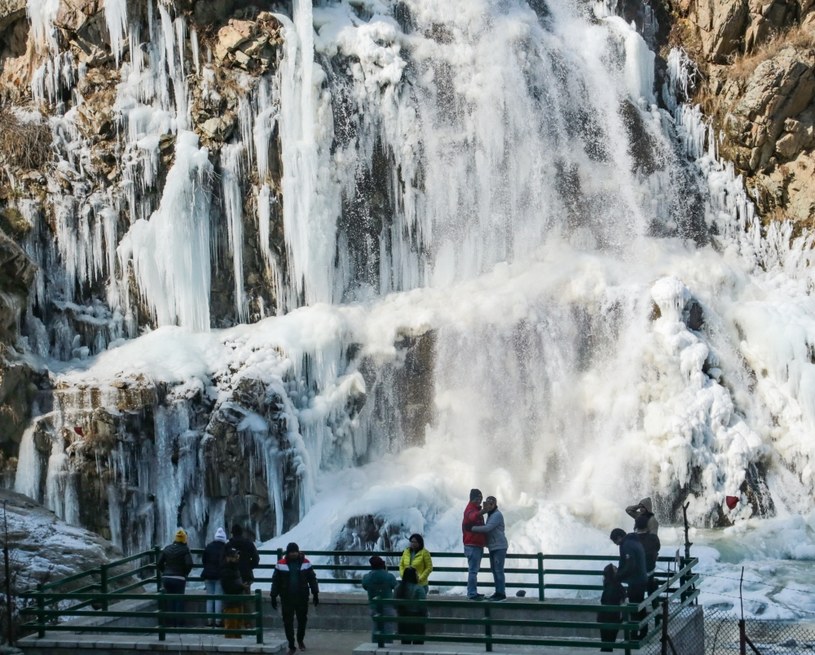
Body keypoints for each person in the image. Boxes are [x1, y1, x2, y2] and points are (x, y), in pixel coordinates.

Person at [270, 542, 320, 655]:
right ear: (288, 553)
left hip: (302, 596)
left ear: (298, 552)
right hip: (286, 597)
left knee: (302, 620)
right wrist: (273, 595)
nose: (293, 554)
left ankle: (300, 640)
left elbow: (312, 578)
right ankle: (291, 644)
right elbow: (276, 581)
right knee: (287, 621)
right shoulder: (280, 564)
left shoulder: (306, 563)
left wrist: (315, 593)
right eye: (291, 552)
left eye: (295, 552)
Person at [610, 527, 648, 640]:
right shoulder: (634, 541)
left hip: (636, 581)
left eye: (615, 541)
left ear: (619, 537)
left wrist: (618, 576)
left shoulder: (627, 545)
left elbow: (629, 565)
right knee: (640, 606)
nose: (616, 544)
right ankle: (643, 631)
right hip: (641, 578)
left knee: (634, 608)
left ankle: (636, 633)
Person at [470, 495, 508, 601]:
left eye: (491, 503)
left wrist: (472, 528)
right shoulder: (491, 514)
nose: (489, 505)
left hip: (499, 546)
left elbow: (487, 528)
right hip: (494, 546)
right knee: (495, 570)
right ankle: (498, 592)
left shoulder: (496, 515)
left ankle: (501, 593)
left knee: (498, 570)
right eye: (487, 503)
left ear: (495, 504)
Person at [157, 528, 193, 627]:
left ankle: (170, 623)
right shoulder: (185, 549)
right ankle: (179, 624)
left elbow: (159, 562)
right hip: (179, 578)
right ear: (184, 539)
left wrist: (164, 571)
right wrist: (185, 573)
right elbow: (189, 564)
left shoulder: (167, 548)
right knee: (179, 600)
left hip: (167, 578)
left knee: (170, 600)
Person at [227, 524, 260, 628]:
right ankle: (248, 623)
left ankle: (236, 623)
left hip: (232, 576)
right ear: (242, 532)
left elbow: (224, 559)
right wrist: (249, 566)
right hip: (246, 574)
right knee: (246, 599)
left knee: (234, 599)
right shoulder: (248, 543)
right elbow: (256, 558)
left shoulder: (229, 544)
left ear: (232, 533)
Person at [362, 555, 398, 642]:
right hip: (388, 605)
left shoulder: (367, 577)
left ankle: (375, 647)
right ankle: (388, 646)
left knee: (376, 626)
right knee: (388, 627)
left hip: (374, 605)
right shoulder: (389, 576)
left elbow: (365, 586)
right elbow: (395, 586)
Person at [462, 488, 487, 600]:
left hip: (476, 544)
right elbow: (472, 516)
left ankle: (473, 592)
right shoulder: (470, 510)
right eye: (477, 498)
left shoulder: (475, 509)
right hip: (472, 545)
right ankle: (472, 593)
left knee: (474, 570)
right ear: (472, 498)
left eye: (481, 498)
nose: (479, 501)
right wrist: (483, 511)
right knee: (473, 571)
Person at [201, 527, 228, 627]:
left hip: (208, 574)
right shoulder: (225, 548)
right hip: (219, 575)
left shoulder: (209, 546)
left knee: (210, 597)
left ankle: (209, 620)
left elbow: (204, 560)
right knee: (218, 597)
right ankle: (217, 620)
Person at [596, 563, 626, 652]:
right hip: (613, 617)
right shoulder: (618, 586)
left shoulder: (608, 585)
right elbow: (623, 601)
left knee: (606, 643)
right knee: (610, 641)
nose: (618, 569)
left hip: (604, 617)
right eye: (615, 569)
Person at [395, 566, 427, 644]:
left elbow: (395, 604)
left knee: (405, 644)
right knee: (418, 644)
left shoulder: (398, 588)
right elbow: (422, 605)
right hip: (417, 619)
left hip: (403, 620)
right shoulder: (419, 589)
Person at [220, 546, 246, 638]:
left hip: (238, 600)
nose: (236, 558)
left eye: (236, 556)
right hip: (231, 603)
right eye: (234, 556)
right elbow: (228, 587)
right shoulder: (226, 570)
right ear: (228, 557)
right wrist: (241, 587)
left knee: (238, 626)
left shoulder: (235, 568)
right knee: (231, 626)